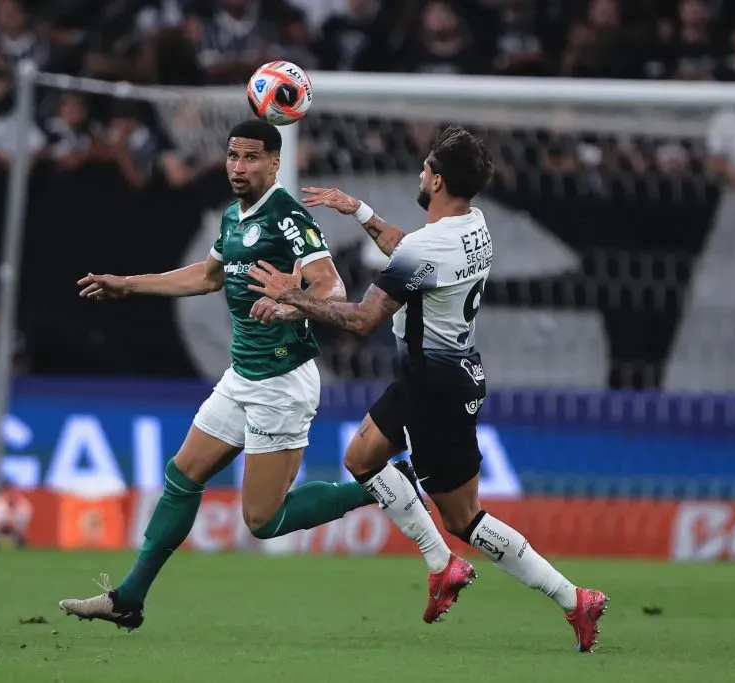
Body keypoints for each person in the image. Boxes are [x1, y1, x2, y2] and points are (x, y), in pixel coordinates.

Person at [247, 126, 608, 653]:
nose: (420, 174)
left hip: (438, 389)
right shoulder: (471, 224)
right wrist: (361, 213)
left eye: (424, 168)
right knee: (363, 457)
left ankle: (574, 598)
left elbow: (366, 319)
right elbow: (409, 256)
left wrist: (294, 296)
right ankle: (442, 565)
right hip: (429, 378)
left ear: (436, 180)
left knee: (465, 518)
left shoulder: (428, 244)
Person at [58, 119, 421, 630]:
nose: (238, 167)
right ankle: (129, 598)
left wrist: (292, 306)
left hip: (282, 380)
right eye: (233, 156)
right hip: (242, 376)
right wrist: (128, 285)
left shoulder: (286, 215)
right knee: (183, 476)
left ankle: (386, 483)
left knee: (262, 521)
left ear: (275, 163)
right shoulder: (233, 216)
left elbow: (332, 288)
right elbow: (206, 276)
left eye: (251, 158)